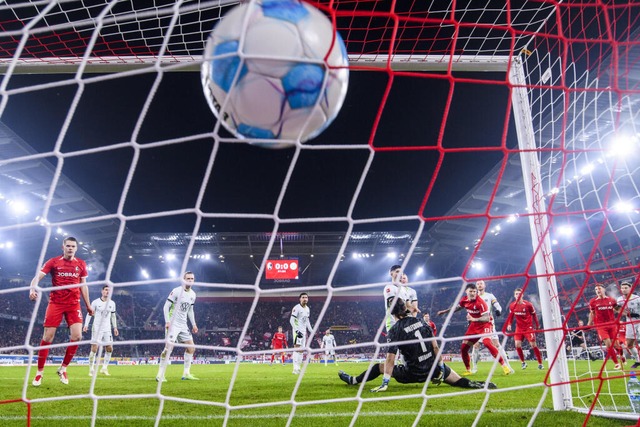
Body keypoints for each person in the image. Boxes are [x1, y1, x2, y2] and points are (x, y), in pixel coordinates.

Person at [339, 297, 497, 392]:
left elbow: (390, 360)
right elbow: (435, 347)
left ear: (392, 314)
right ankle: (482, 385)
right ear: (405, 309)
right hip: (432, 369)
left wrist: (385, 382)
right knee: (458, 380)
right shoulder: (421, 321)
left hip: (411, 374)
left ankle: (354, 380)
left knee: (378, 367)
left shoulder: (395, 330)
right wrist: (441, 367)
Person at [29, 236, 94, 387]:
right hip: (56, 303)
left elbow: (84, 286)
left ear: (76, 249)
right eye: (68, 246)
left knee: (77, 336)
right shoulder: (53, 262)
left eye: (73, 246)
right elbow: (36, 277)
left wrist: (88, 305)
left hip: (73, 304)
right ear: (63, 247)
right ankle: (39, 373)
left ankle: (63, 368)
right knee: (48, 337)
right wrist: (32, 289)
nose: (70, 248)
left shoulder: (81, 264)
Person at [437, 283, 512, 376]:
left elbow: (487, 318)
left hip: (485, 325)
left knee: (487, 343)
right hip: (473, 326)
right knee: (464, 348)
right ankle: (469, 370)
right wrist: (445, 311)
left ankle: (505, 366)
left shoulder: (480, 302)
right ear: (466, 292)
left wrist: (474, 319)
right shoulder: (464, 300)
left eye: (474, 291)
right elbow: (458, 308)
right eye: (471, 291)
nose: (473, 293)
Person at [156, 271, 199, 382]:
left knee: (191, 348)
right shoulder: (176, 291)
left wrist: (194, 324)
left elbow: (190, 310)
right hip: (173, 324)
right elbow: (166, 307)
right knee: (168, 348)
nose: (190, 280)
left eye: (192, 278)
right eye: (188, 278)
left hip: (183, 325)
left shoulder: (193, 294)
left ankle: (186, 373)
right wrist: (167, 321)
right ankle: (160, 375)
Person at [470, 280, 513, 374]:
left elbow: (498, 305)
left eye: (481, 283)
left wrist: (498, 310)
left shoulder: (489, 296)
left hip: (488, 323)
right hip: (477, 325)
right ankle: (474, 367)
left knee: (497, 344)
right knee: (476, 345)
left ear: (484, 285)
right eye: (477, 284)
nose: (479, 285)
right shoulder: (473, 298)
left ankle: (508, 366)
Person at [83, 285, 119, 376]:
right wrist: (86, 325)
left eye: (109, 290)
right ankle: (91, 369)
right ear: (102, 291)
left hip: (107, 329)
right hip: (97, 328)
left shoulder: (112, 303)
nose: (107, 292)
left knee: (110, 348)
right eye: (106, 290)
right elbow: (89, 314)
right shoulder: (95, 302)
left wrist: (115, 327)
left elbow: (113, 316)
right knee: (94, 349)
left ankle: (104, 368)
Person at [504, 288, 544, 370]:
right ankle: (523, 363)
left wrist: (537, 324)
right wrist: (509, 324)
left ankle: (540, 363)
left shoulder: (528, 305)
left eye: (519, 293)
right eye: (516, 294)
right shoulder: (512, 305)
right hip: (519, 328)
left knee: (533, 345)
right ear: (514, 295)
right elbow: (511, 316)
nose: (518, 295)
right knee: (517, 345)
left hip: (528, 327)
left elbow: (534, 315)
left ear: (522, 295)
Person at [587, 283, 621, 370]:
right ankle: (616, 363)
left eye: (599, 288)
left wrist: (626, 313)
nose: (598, 290)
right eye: (596, 289)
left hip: (612, 325)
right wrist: (589, 323)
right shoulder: (593, 301)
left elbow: (617, 309)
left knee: (616, 345)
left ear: (604, 289)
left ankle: (622, 355)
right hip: (601, 326)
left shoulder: (611, 300)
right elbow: (592, 313)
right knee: (608, 345)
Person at [616, 281, 640, 368]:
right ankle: (638, 361)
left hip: (639, 321)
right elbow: (617, 308)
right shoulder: (620, 299)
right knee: (629, 344)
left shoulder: (637, 298)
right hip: (629, 323)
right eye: (622, 288)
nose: (624, 289)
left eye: (626, 288)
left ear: (630, 289)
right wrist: (627, 314)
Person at [290, 292, 313, 374]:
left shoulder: (307, 309)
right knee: (297, 348)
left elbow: (307, 321)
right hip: (298, 331)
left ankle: (298, 368)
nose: (305, 299)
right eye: (303, 297)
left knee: (301, 351)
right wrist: (297, 330)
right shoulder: (297, 308)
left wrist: (311, 330)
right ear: (300, 299)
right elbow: (291, 320)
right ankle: (295, 369)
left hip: (304, 332)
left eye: (306, 297)